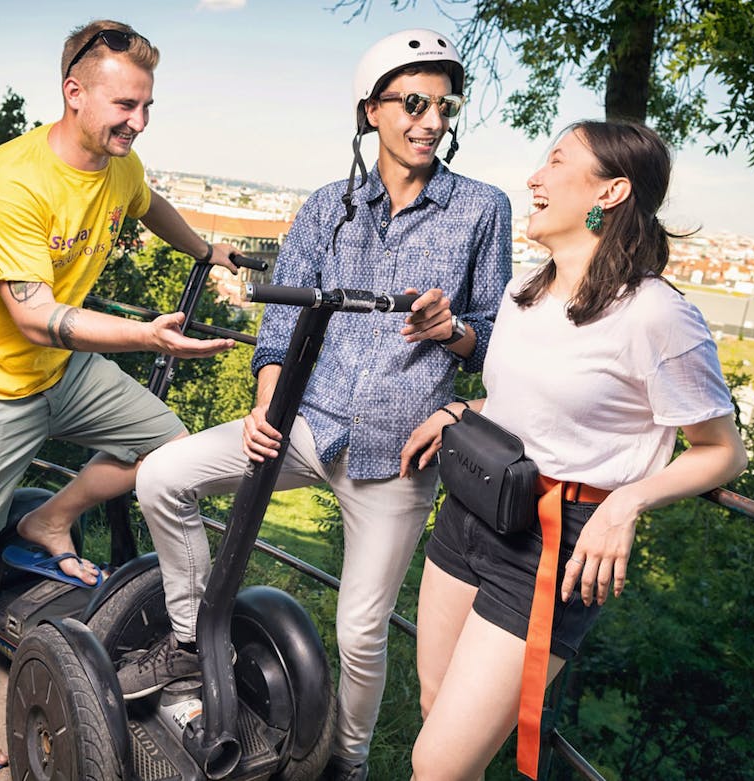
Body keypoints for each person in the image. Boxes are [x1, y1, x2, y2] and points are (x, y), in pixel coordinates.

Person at [129, 29, 513, 781]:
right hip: (308, 424)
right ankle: (188, 641)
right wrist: (267, 407)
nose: (432, 120)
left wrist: (456, 331)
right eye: (413, 103)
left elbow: (500, 340)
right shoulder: (324, 209)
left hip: (398, 453)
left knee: (362, 631)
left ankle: (349, 759)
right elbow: (279, 331)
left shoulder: (481, 210)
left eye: (445, 105)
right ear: (372, 111)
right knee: (160, 477)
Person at [0, 20, 243, 776]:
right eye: (125, 104)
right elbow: (30, 314)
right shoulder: (11, 179)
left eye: (148, 105)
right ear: (74, 93)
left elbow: (147, 202)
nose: (139, 121)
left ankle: (48, 517)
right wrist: (148, 338)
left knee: (168, 446)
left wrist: (205, 251)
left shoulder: (119, 161)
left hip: (61, 371)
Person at [402, 120, 749, 781]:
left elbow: (721, 451)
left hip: (552, 547)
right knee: (432, 711)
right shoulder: (523, 292)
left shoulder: (656, 314)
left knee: (438, 766)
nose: (534, 177)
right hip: (472, 508)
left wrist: (628, 503)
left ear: (611, 191)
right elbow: (527, 409)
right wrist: (458, 408)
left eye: (556, 161)